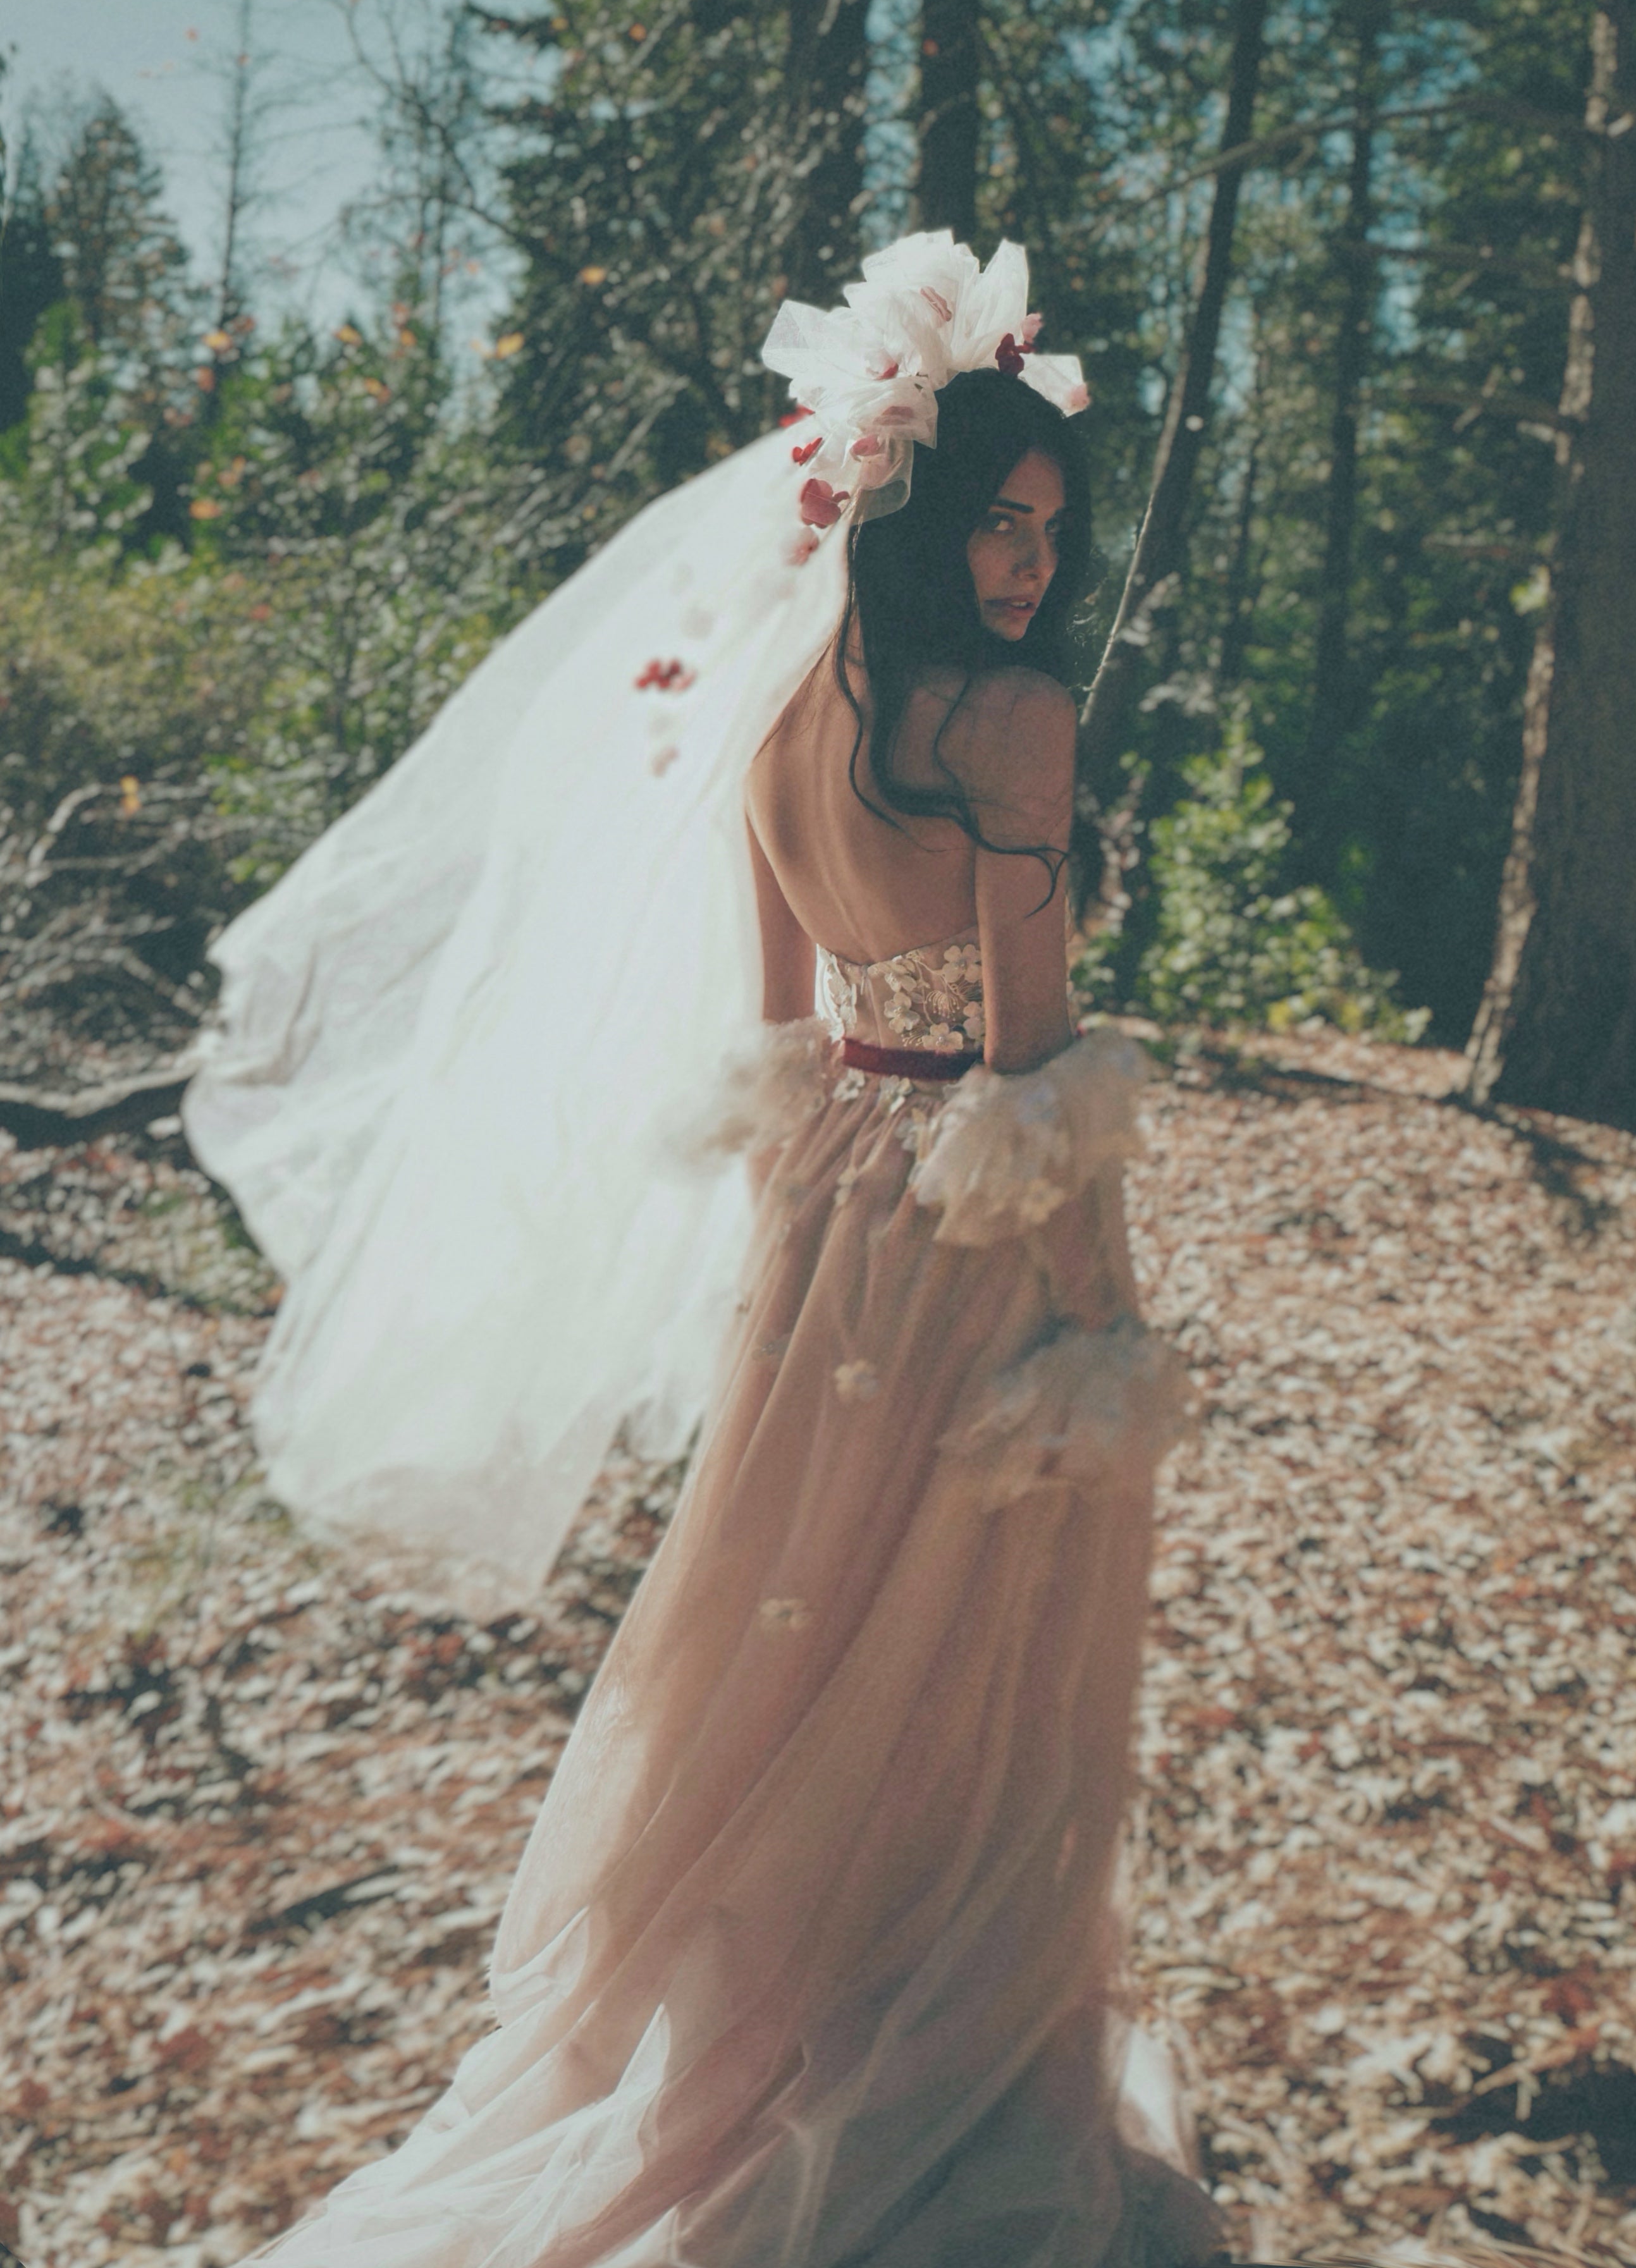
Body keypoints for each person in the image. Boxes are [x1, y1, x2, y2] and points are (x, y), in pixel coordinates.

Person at [191, 235, 1227, 2267]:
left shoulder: (785, 705)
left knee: (792, 1601)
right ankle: (910, 2029)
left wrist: (801, 1213)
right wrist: (1094, 1312)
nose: (1025, 568)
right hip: (966, 1214)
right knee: (958, 1639)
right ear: (918, 509)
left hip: (827, 1189)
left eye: (1047, 531)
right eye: (997, 523)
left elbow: (785, 1016)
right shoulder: (1013, 723)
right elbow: (1029, 1046)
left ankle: (768, 1987)